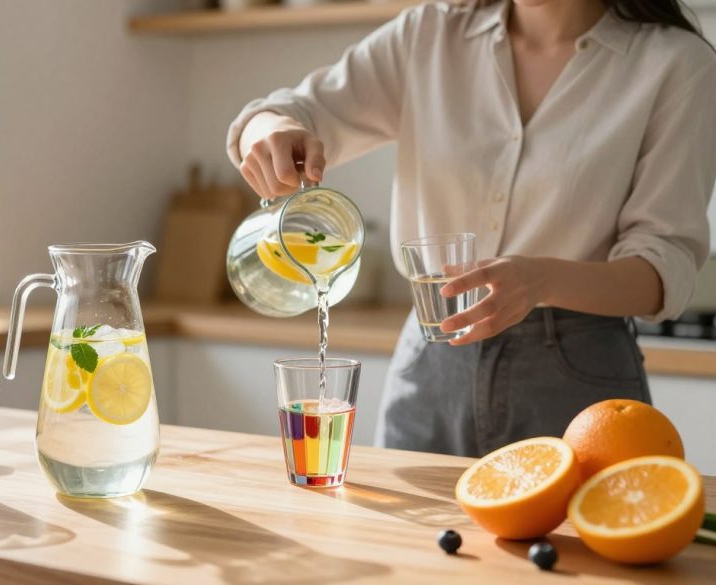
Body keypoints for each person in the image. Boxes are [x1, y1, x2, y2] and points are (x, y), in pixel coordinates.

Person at [227, 0, 716, 457]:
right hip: (430, 359)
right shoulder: (430, 33)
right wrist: (270, 131)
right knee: (403, 525)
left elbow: (663, 269)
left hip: (576, 376)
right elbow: (292, 111)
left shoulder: (676, 64)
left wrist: (541, 279)